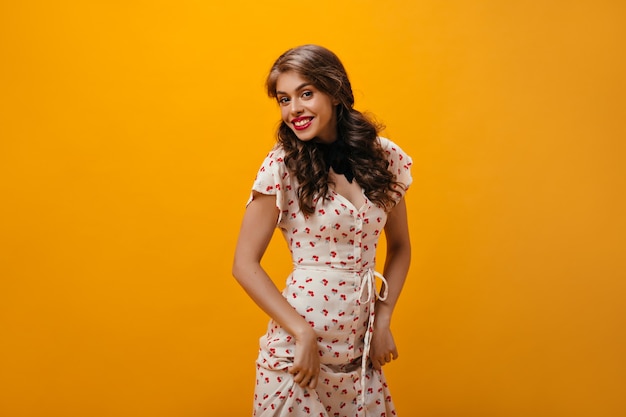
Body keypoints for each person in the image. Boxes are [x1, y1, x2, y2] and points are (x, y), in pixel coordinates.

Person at [232, 44, 413, 417]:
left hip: (359, 364)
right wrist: (301, 332)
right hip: (296, 363)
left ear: (334, 91)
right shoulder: (282, 165)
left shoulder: (385, 158)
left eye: (306, 94)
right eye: (284, 99)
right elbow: (243, 263)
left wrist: (383, 321)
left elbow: (400, 247)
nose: (293, 109)